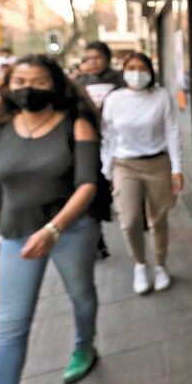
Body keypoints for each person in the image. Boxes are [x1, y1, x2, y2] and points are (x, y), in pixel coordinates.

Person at [0, 55, 101, 384]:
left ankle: (84, 345)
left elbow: (87, 184)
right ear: (8, 85)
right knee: (12, 326)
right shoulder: (1, 131)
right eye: (19, 81)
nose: (28, 89)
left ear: (55, 85)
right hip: (17, 235)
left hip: (70, 231)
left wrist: (54, 229)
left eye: (38, 81)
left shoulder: (76, 125)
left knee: (81, 295)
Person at [102, 52, 183, 293]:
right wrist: (106, 169)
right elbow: (108, 136)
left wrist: (177, 168)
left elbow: (171, 131)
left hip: (157, 163)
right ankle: (139, 263)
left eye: (142, 68)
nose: (137, 73)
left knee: (158, 219)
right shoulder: (114, 99)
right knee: (129, 220)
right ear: (124, 71)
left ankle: (160, 265)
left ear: (150, 71)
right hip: (124, 165)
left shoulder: (161, 96)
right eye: (131, 68)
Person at [75, 41, 124, 259]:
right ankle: (98, 241)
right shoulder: (78, 85)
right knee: (93, 191)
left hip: (119, 144)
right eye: (88, 58)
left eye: (97, 58)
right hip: (91, 146)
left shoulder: (121, 81)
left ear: (107, 58)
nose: (92, 62)